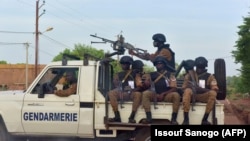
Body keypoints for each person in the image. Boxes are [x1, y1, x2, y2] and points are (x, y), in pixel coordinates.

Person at [141, 56, 180, 125]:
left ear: (164, 64)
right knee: (145, 93)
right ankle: (148, 117)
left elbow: (174, 88)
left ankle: (174, 119)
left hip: (166, 95)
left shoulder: (170, 75)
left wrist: (164, 94)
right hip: (154, 94)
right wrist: (146, 83)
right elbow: (145, 86)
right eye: (157, 64)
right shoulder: (150, 75)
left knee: (176, 95)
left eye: (160, 63)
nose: (158, 65)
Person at [181, 56, 219, 125]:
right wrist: (190, 86)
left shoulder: (210, 76)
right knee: (187, 91)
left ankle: (204, 119)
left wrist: (201, 89)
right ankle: (186, 119)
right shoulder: (190, 75)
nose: (199, 69)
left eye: (201, 68)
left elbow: (214, 89)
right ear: (195, 66)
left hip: (203, 96)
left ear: (205, 67)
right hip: (191, 96)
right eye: (198, 67)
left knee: (213, 93)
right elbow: (183, 87)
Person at [108, 55, 134, 122]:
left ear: (129, 64)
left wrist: (128, 88)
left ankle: (118, 116)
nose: (124, 65)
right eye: (123, 64)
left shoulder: (134, 73)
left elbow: (137, 86)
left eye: (125, 64)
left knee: (112, 93)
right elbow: (115, 84)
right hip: (123, 93)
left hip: (132, 94)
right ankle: (117, 115)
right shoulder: (118, 74)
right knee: (111, 93)